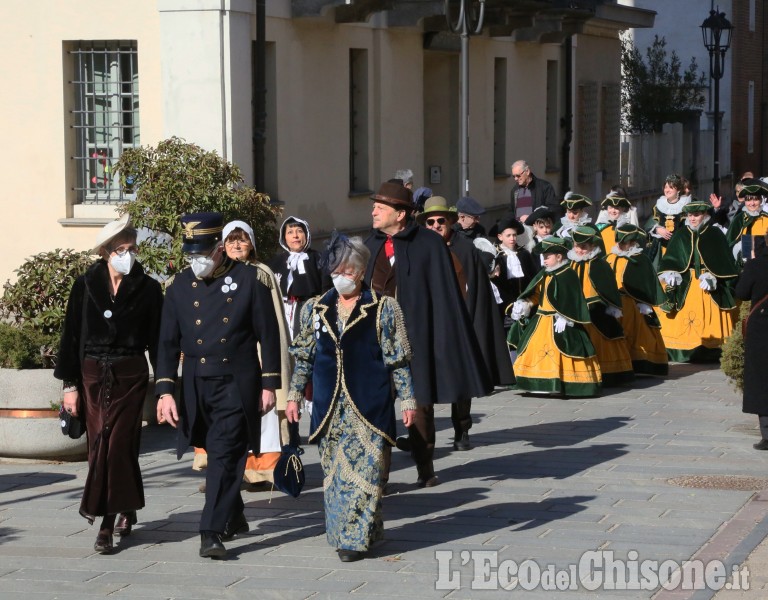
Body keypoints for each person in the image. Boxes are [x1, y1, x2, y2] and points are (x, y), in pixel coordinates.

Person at [155, 212, 282, 559]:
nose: (196, 262)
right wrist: (165, 390)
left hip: (235, 380)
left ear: (218, 250)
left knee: (225, 454)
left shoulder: (248, 280)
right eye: (190, 255)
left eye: (202, 254)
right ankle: (235, 513)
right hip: (196, 382)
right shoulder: (179, 286)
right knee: (216, 454)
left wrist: (270, 383)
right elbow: (166, 342)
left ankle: (210, 530)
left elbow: (268, 335)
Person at [286, 233, 416, 562]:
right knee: (336, 475)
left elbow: (397, 359)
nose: (339, 276)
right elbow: (304, 356)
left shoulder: (384, 308)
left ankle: (353, 541)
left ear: (359, 271)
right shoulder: (315, 309)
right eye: (335, 269)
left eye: (346, 270)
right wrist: (294, 393)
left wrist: (408, 400)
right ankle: (354, 533)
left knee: (368, 473)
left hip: (369, 405)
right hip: (330, 407)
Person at [364, 181, 491, 486]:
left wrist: (443, 341)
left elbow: (445, 297)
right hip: (374, 343)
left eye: (381, 207)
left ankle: (425, 467)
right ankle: (379, 473)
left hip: (416, 339)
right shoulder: (370, 246)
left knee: (420, 406)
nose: (374, 211)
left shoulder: (429, 245)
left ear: (401, 213)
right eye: (374, 206)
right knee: (377, 405)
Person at [54, 213, 163, 554]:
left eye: (131, 248)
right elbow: (71, 337)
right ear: (105, 252)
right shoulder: (85, 284)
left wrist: (165, 388)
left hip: (129, 373)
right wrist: (69, 385)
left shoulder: (148, 288)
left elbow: (159, 340)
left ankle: (104, 522)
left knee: (118, 444)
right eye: (120, 248)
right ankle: (125, 506)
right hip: (91, 374)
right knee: (99, 447)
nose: (126, 254)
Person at [193, 220, 292, 487]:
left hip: (256, 355)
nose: (237, 245)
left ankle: (259, 472)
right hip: (221, 359)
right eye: (231, 240)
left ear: (252, 244)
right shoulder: (212, 273)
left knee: (262, 416)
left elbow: (275, 325)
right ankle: (219, 471)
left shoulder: (262, 273)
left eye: (242, 239)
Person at [417, 197, 514, 449]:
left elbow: (477, 290)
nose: (436, 225)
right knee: (422, 380)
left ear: (450, 222)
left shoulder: (465, 249)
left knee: (461, 379)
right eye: (430, 221)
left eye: (441, 220)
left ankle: (462, 429)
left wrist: (470, 324)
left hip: (460, 322)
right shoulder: (419, 248)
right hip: (428, 322)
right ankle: (422, 437)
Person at [508, 237, 601, 397]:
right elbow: (537, 294)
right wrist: (526, 303)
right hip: (541, 320)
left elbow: (574, 298)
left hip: (561, 321)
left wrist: (566, 317)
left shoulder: (568, 274)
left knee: (563, 350)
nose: (544, 260)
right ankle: (537, 384)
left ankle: (561, 384)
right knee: (532, 347)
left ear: (559, 257)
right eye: (543, 257)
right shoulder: (544, 273)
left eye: (548, 257)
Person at [656, 198, 738, 362]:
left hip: (708, 283)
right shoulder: (681, 234)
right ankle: (680, 349)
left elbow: (725, 263)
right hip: (685, 283)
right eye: (690, 215)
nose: (692, 218)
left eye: (697, 215)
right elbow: (670, 258)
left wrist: (713, 277)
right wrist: (671, 273)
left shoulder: (715, 234)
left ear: (705, 215)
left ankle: (711, 348)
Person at [567, 226, 634, 387]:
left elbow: (608, 287)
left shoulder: (599, 264)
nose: (580, 250)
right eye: (577, 246)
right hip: (576, 310)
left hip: (597, 310)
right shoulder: (570, 264)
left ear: (592, 246)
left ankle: (609, 372)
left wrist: (613, 305)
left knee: (604, 337)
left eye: (584, 247)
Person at [605, 225, 668, 376]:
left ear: (633, 242)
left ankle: (638, 363)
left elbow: (647, 281)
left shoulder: (640, 259)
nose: (621, 246)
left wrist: (644, 301)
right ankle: (619, 364)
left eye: (625, 243)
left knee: (635, 333)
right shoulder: (609, 257)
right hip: (611, 303)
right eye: (619, 242)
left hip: (632, 304)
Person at [269, 216, 331, 340]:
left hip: (309, 311)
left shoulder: (318, 259)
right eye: (290, 232)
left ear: (306, 234)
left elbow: (327, 290)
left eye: (299, 231)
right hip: (283, 311)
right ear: (284, 237)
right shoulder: (275, 262)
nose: (295, 236)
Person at [734, 232, 768, 450]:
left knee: (762, 378)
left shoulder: (755, 265)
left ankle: (767, 435)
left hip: (762, 327)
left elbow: (742, 292)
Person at [491, 214, 537, 325]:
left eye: (514, 235)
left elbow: (533, 278)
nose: (512, 238)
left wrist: (527, 302)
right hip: (505, 308)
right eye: (508, 235)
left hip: (526, 305)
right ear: (500, 237)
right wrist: (510, 306)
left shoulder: (524, 254)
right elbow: (496, 285)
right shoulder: (496, 257)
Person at [645, 173, 691, 267]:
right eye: (665, 187)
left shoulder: (686, 207)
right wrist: (657, 229)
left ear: (678, 189)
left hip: (679, 249)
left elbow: (691, 227)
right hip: (660, 249)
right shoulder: (659, 206)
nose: (667, 190)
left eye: (671, 187)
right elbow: (648, 225)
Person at [724, 179, 768, 266]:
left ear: (760, 200)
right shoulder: (739, 219)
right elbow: (729, 244)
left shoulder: (766, 218)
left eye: (755, 199)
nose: (752, 203)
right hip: (744, 268)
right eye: (748, 200)